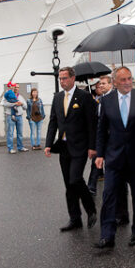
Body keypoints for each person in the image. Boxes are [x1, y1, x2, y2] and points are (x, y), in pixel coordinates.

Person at [94, 66, 135, 249]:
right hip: (114, 157)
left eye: (129, 79)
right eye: (123, 80)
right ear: (115, 82)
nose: (127, 82)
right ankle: (107, 235)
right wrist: (100, 154)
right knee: (109, 195)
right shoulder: (107, 100)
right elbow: (102, 129)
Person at [44, 67, 98, 231]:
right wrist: (48, 144)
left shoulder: (85, 97)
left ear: (73, 78)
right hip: (64, 147)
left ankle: (91, 210)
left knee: (75, 179)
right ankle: (75, 219)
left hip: (80, 146)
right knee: (69, 184)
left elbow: (92, 123)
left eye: (65, 78)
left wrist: (92, 146)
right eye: (60, 79)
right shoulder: (58, 98)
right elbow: (53, 121)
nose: (62, 81)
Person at [87, 76, 113, 196]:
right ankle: (91, 187)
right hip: (101, 137)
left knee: (113, 165)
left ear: (110, 85)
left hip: (113, 138)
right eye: (99, 85)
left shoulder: (115, 98)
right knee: (95, 162)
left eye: (103, 84)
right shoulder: (99, 100)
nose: (101, 86)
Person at [2, 82, 28, 154]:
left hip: (19, 116)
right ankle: (10, 148)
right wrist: (15, 103)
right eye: (15, 87)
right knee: (10, 133)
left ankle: (20, 147)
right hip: (10, 115)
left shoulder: (20, 97)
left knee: (20, 133)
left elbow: (25, 107)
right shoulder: (8, 96)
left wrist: (21, 104)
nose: (16, 88)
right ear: (12, 87)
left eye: (17, 87)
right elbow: (5, 104)